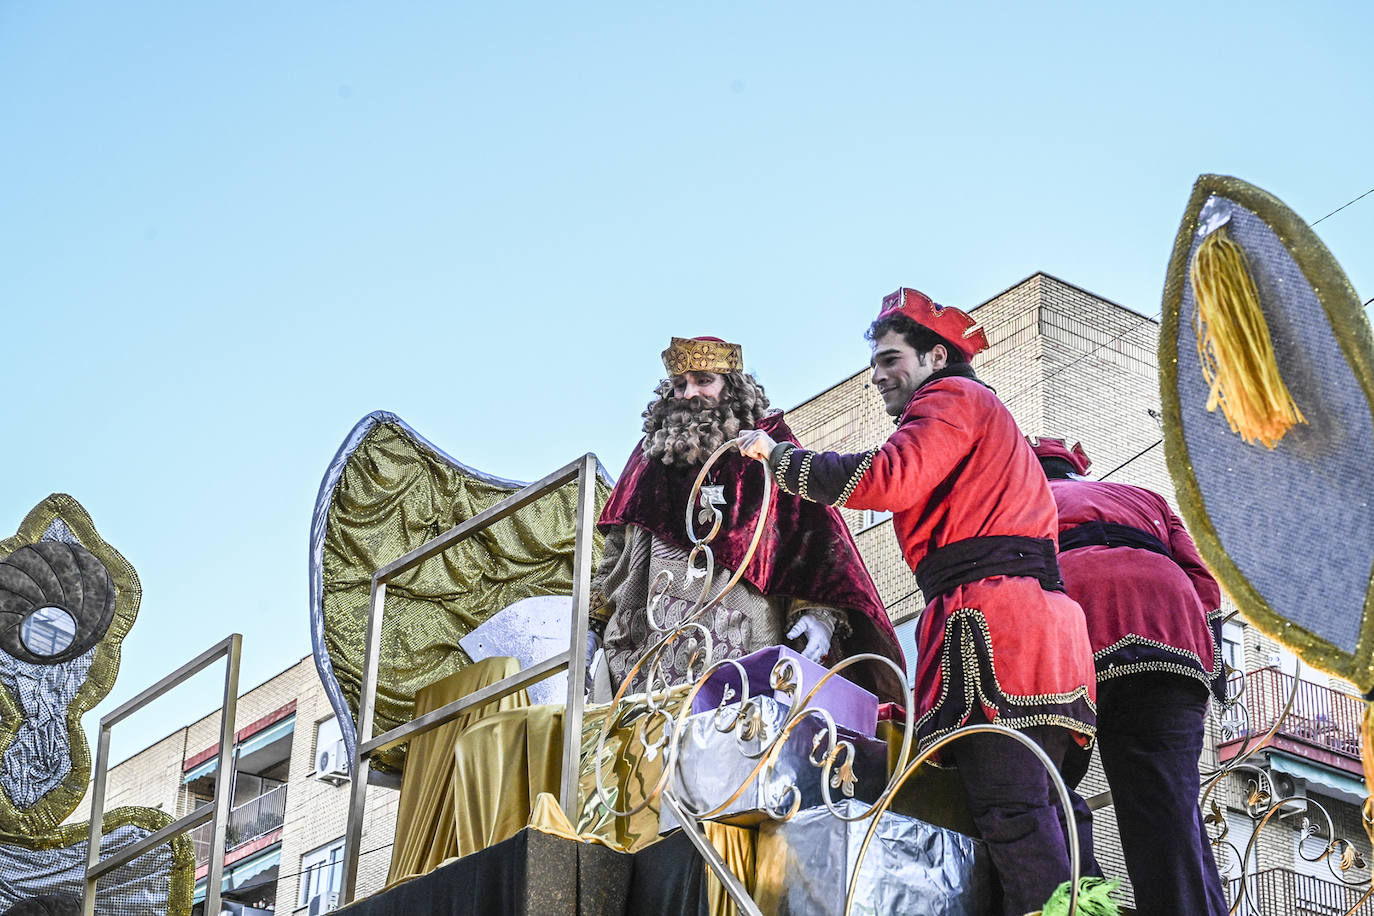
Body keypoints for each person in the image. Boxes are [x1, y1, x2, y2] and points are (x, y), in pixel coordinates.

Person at [738, 289, 1101, 916]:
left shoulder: (951, 397)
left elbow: (890, 477)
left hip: (995, 625)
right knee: (1051, 813)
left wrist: (783, 461)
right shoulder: (979, 413)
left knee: (1012, 811)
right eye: (874, 364)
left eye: (890, 359)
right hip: (1028, 625)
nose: (878, 376)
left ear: (936, 356)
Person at [588, 335, 906, 704]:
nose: (690, 393)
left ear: (731, 387)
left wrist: (820, 615)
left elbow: (813, 539)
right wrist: (593, 623)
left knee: (735, 744)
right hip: (646, 643)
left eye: (704, 381)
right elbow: (616, 549)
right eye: (679, 385)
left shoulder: (767, 445)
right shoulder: (648, 457)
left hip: (740, 637)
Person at [1030, 435, 1227, 916]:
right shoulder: (1144, 497)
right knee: (1169, 804)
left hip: (1077, 622)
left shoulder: (1025, 498)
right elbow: (1205, 585)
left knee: (1041, 783)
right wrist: (1207, 657)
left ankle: (1084, 904)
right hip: (1173, 630)